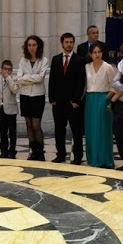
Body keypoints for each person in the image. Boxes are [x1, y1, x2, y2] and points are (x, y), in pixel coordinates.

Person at [48, 32, 85, 164]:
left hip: (73, 103)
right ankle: (61, 154)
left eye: (71, 42)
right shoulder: (56, 59)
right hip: (58, 102)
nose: (69, 44)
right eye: (66, 42)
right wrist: (51, 98)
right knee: (59, 130)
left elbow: (81, 82)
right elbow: (52, 79)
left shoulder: (79, 60)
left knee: (76, 130)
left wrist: (76, 100)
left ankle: (78, 156)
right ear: (62, 44)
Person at [84, 44, 117, 169]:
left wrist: (106, 98)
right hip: (91, 100)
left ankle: (104, 159)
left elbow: (114, 85)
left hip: (104, 98)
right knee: (92, 129)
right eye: (94, 52)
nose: (97, 54)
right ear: (90, 54)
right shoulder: (86, 67)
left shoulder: (108, 67)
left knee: (103, 129)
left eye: (99, 52)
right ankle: (93, 158)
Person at [17, 35, 48, 161]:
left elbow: (40, 78)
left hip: (37, 96)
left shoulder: (43, 60)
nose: (31, 48)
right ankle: (32, 150)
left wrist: (26, 77)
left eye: (34, 45)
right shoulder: (23, 61)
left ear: (38, 46)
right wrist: (30, 77)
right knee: (28, 124)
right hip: (25, 96)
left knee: (36, 125)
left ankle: (40, 150)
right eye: (29, 45)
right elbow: (19, 79)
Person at [0, 60, 19, 159]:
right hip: (1, 108)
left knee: (12, 131)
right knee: (3, 132)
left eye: (9, 70)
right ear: (1, 70)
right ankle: (4, 151)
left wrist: (8, 78)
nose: (7, 71)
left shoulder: (14, 80)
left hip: (11, 108)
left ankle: (12, 151)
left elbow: (15, 90)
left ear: (11, 71)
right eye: (5, 69)